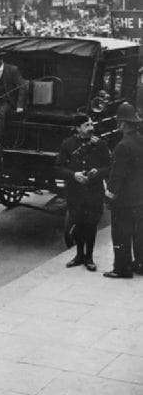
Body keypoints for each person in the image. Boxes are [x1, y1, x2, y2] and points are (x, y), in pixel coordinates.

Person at [54, 115, 110, 272]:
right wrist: (74, 175)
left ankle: (89, 257)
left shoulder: (100, 144)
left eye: (92, 124)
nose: (91, 127)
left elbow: (109, 167)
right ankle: (79, 255)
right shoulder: (68, 144)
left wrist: (97, 172)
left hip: (94, 191)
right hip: (75, 191)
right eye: (87, 125)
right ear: (78, 128)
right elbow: (58, 167)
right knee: (78, 222)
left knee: (91, 224)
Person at [104, 103, 143, 278]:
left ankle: (122, 268)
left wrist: (109, 196)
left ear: (123, 124)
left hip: (124, 200)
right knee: (139, 233)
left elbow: (117, 176)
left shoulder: (122, 146)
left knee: (121, 233)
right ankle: (140, 265)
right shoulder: (140, 140)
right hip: (140, 197)